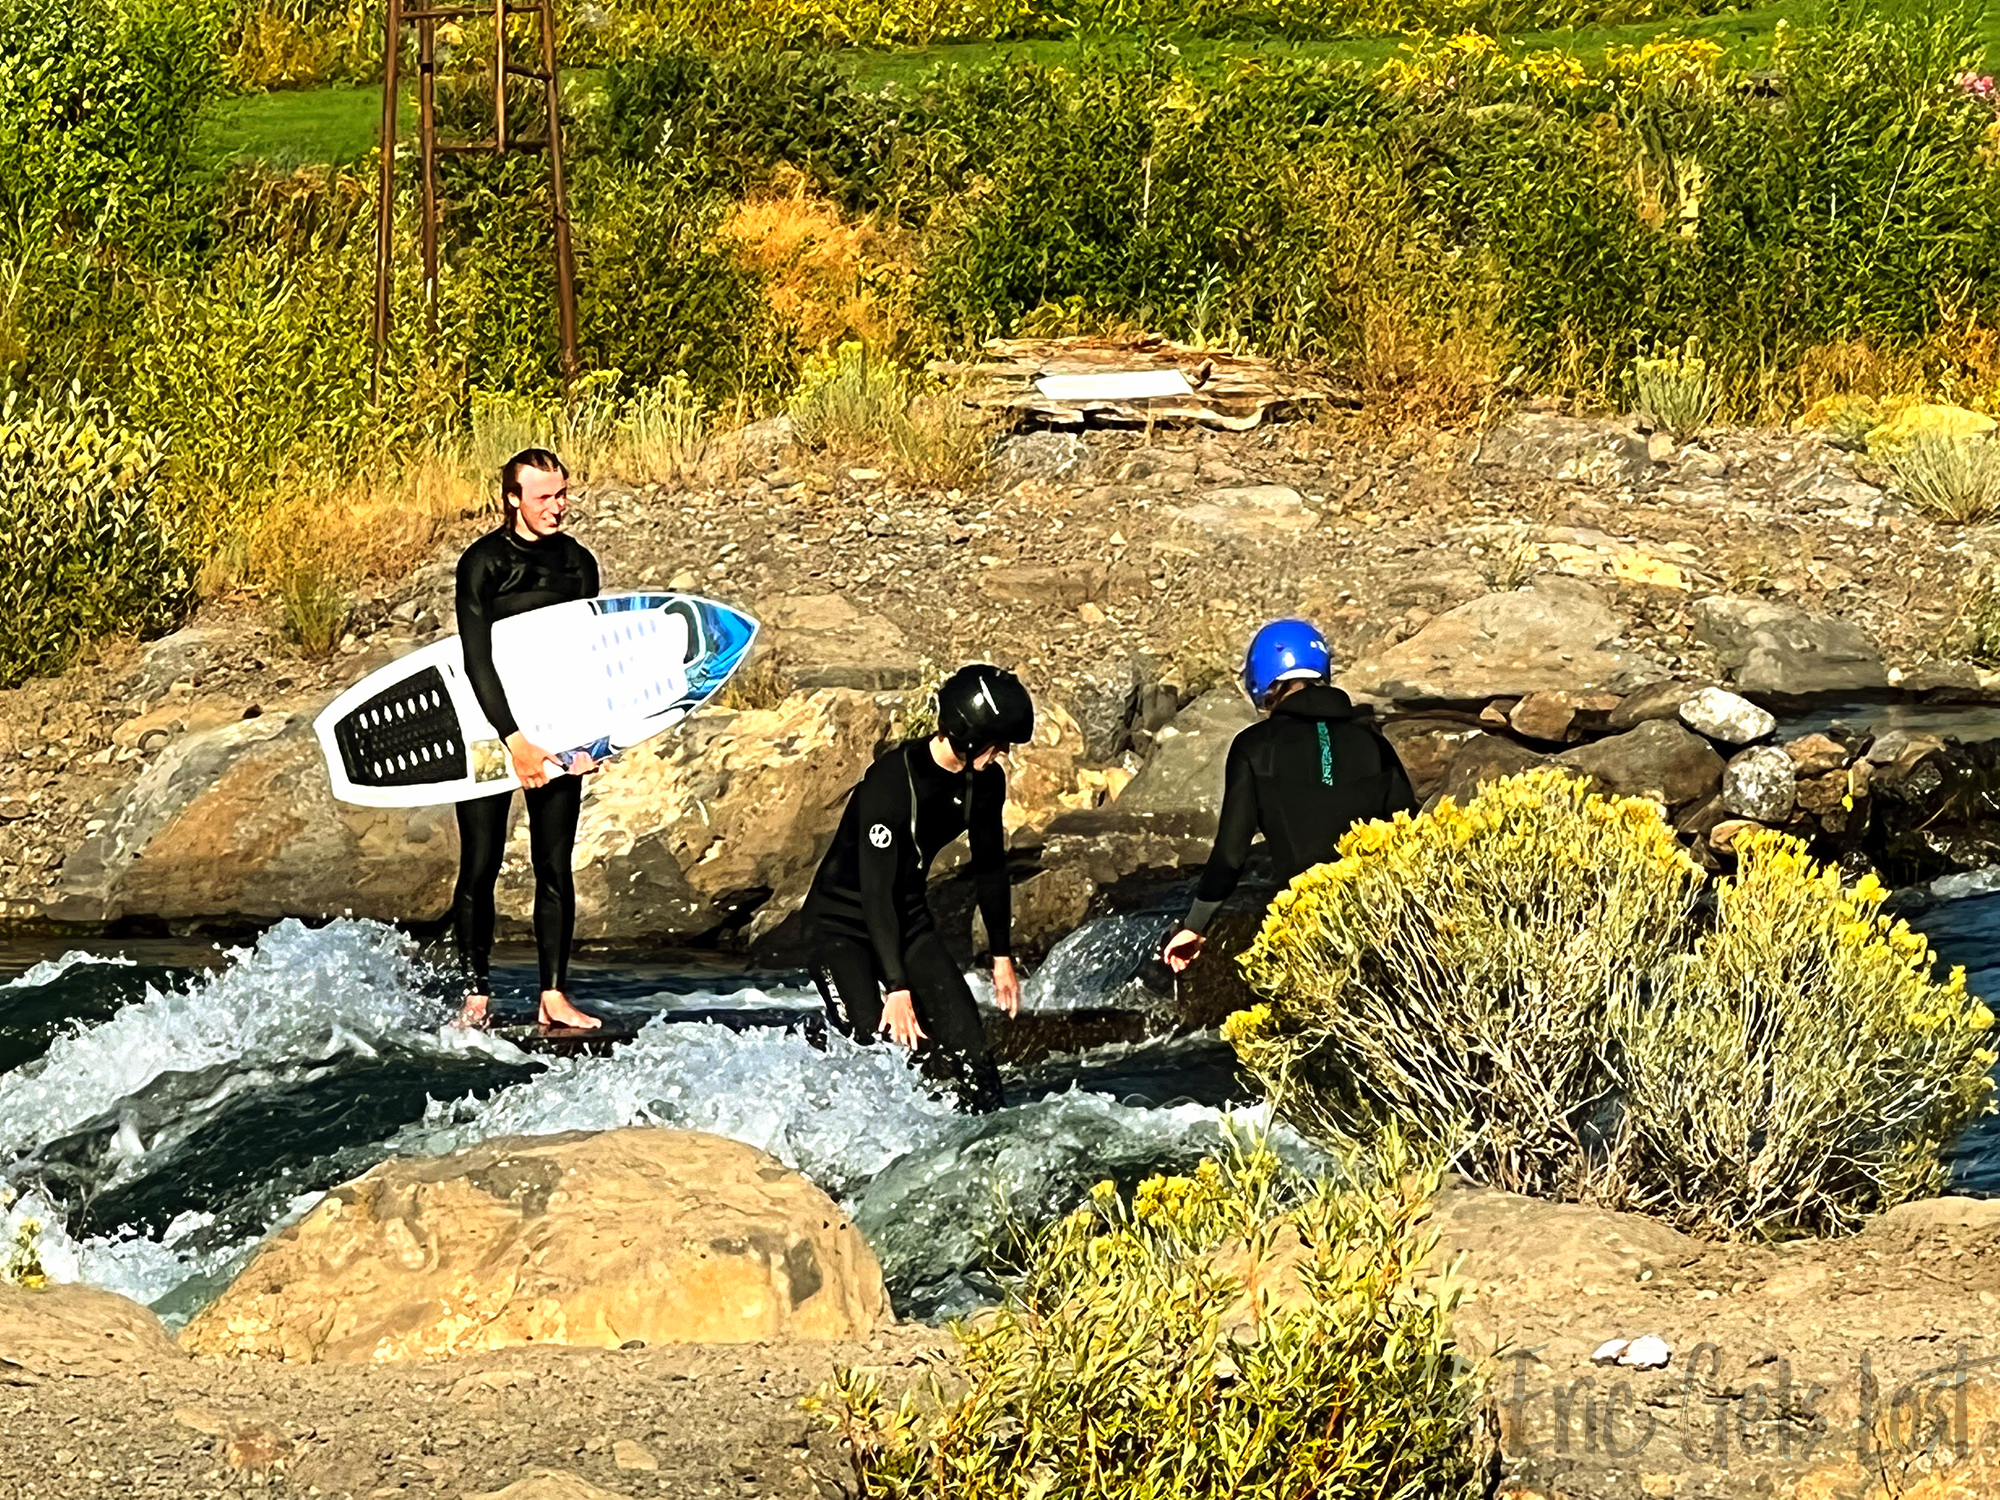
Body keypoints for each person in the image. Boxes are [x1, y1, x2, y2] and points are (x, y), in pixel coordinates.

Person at [799, 664, 1035, 1113]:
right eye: (998, 741)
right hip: (840, 926)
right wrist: (898, 987)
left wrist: (1001, 956)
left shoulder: (985, 782)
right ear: (967, 734)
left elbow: (990, 866)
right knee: (883, 1047)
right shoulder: (890, 782)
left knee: (973, 1054)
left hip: (907, 919)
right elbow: (874, 889)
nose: (1003, 752)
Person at [1163, 619, 1417, 973]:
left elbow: (1231, 854)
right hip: (1383, 921)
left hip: (1312, 927)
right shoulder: (1372, 740)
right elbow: (1410, 830)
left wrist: (1194, 925)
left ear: (1262, 678)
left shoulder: (1254, 746)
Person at [451, 448, 604, 1032]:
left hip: (558, 727)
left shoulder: (578, 563)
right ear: (513, 498)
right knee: (481, 864)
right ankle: (476, 993)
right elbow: (475, 660)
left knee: (554, 865)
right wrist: (513, 740)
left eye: (562, 494)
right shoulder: (483, 563)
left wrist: (592, 739)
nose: (557, 507)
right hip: (488, 726)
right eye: (544, 497)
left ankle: (554, 994)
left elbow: (587, 657)